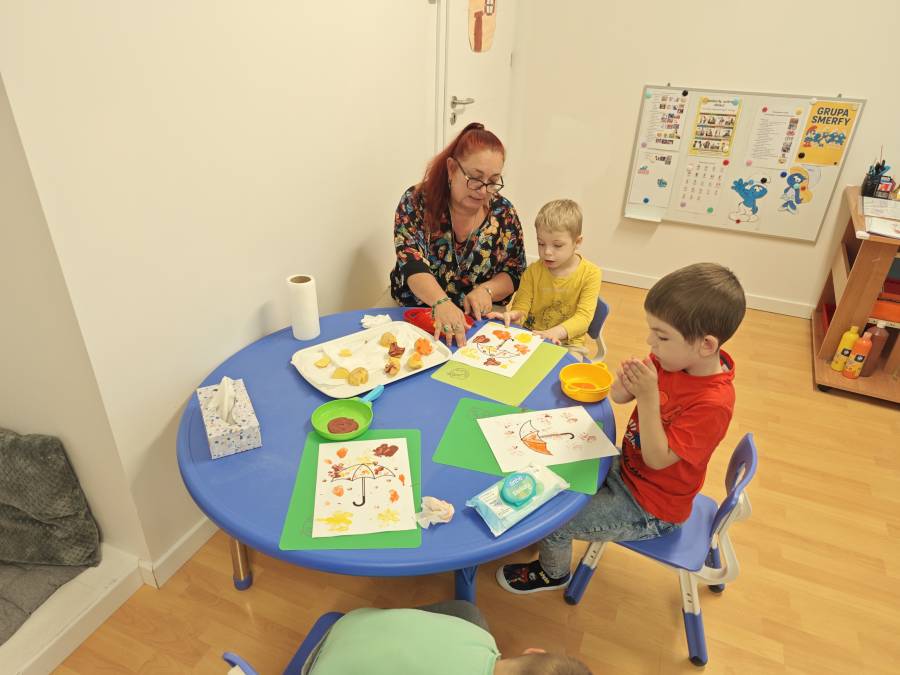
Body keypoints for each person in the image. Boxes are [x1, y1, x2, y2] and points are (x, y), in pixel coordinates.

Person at [496, 263, 745, 593]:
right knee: (555, 467)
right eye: (652, 331)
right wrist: (628, 383)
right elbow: (617, 396)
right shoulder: (673, 358)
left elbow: (658, 459)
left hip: (653, 507)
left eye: (661, 336)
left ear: (706, 345)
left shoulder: (713, 404)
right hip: (627, 468)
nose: (650, 342)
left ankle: (553, 573)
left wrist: (648, 397)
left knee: (556, 522)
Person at [389, 122, 526, 346]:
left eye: (492, 182)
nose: (483, 190)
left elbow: (514, 271)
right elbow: (412, 264)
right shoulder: (417, 201)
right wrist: (440, 302)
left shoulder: (503, 213)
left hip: (476, 319)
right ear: (452, 168)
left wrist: (487, 290)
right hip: (416, 310)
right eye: (475, 178)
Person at [301, 600, 592, 674]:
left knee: (467, 612)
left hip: (352, 623)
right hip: (317, 668)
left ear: (533, 652)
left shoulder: (481, 638)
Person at [488, 199, 601, 353]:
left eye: (557, 245)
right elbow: (522, 307)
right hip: (531, 338)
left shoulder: (591, 274)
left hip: (568, 344)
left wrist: (554, 333)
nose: (547, 252)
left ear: (577, 242)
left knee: (566, 367)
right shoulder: (532, 272)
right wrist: (515, 315)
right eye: (541, 243)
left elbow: (583, 318)